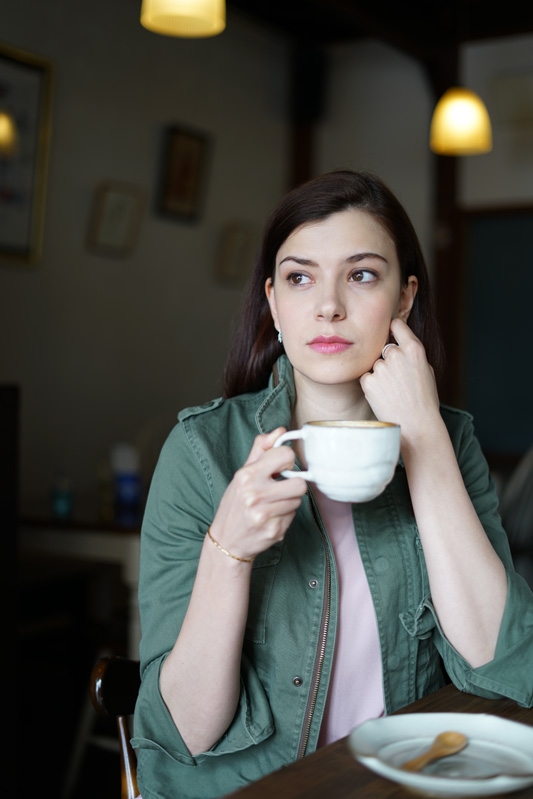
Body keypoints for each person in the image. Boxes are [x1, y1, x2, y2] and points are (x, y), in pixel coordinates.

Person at [132, 170, 533, 799]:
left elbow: (505, 669)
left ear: (403, 299)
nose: (328, 306)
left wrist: (424, 437)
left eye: (362, 274)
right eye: (300, 277)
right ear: (273, 302)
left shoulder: (449, 441)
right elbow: (184, 731)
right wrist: (228, 551)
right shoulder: (202, 452)